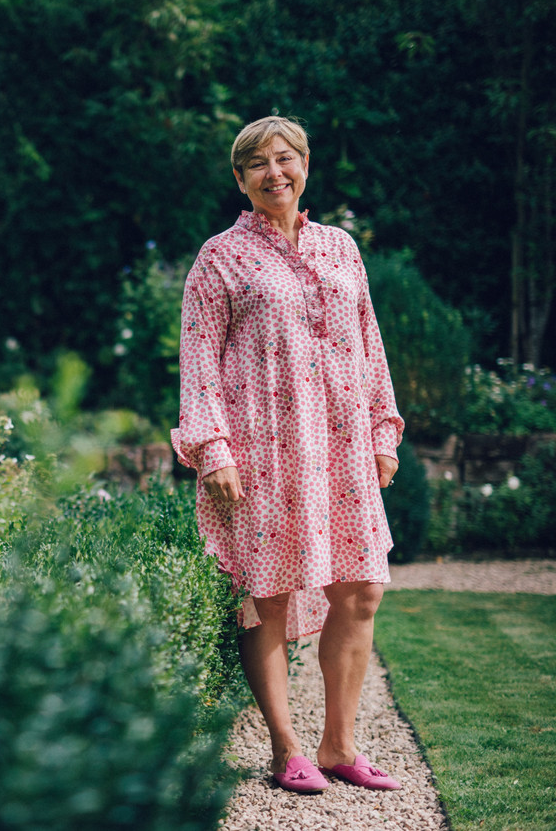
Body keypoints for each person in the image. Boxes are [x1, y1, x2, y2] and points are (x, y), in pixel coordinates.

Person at [171, 116, 405, 794]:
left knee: (359, 593)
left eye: (286, 158)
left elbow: (370, 341)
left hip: (340, 447)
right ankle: (286, 746)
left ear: (304, 165)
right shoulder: (220, 257)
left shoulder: (340, 248)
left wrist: (381, 430)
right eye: (258, 165)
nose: (276, 173)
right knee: (267, 597)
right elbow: (199, 360)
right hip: (260, 450)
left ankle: (339, 745)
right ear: (240, 180)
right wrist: (212, 448)